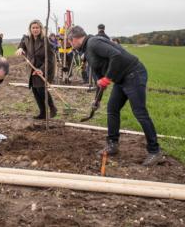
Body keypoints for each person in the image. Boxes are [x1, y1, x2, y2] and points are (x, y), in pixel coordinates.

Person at [67, 25, 163, 166]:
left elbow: (116, 56)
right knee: (112, 109)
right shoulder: (87, 51)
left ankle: (155, 151)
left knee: (139, 112)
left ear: (73, 39)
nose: (70, 45)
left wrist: (108, 78)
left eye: (70, 42)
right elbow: (100, 77)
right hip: (121, 78)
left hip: (133, 73)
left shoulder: (93, 42)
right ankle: (112, 144)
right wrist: (97, 99)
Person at [16, 20, 57, 119]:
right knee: (35, 90)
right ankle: (42, 113)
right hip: (32, 68)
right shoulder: (28, 39)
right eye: (33, 28)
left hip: (44, 67)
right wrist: (20, 48)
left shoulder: (46, 41)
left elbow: (50, 59)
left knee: (41, 89)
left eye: (37, 27)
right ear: (30, 29)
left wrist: (42, 69)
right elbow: (22, 43)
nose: (35, 30)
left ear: (41, 29)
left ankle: (53, 108)